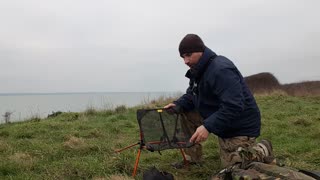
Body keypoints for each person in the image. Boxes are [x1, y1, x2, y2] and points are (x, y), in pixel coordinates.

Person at [164, 34, 274, 168]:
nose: (185, 61)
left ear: (201, 51)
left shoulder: (221, 69)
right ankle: (192, 159)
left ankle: (262, 149)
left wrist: (207, 126)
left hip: (239, 126)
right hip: (221, 118)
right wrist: (178, 104)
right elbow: (192, 95)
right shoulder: (197, 70)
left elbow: (234, 106)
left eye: (188, 55)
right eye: (183, 57)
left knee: (233, 170)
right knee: (183, 111)